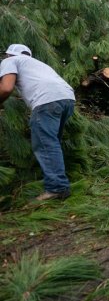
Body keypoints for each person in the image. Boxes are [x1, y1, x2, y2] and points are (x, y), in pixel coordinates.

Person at [0, 44, 76, 201]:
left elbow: (6, 88)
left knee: (45, 144)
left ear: (9, 55)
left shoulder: (9, 61)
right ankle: (58, 184)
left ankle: (57, 188)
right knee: (52, 143)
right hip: (67, 99)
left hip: (47, 100)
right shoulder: (38, 65)